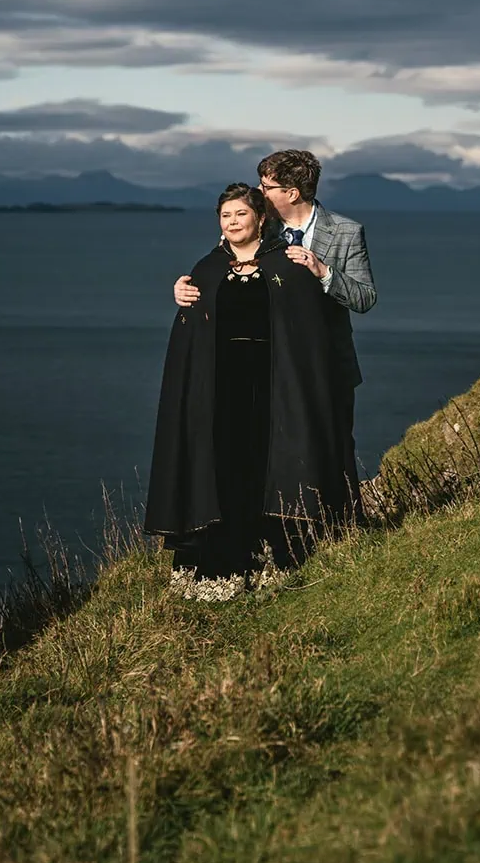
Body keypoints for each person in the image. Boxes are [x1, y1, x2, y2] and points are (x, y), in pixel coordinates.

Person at [145, 181, 357, 598]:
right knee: (224, 468)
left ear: (261, 218)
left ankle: (274, 558)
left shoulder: (288, 267)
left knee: (270, 468)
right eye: (225, 216)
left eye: (241, 214)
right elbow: (191, 331)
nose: (233, 222)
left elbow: (308, 333)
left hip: (276, 388)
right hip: (220, 389)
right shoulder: (206, 268)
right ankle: (223, 564)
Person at [173, 148, 376, 481]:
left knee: (333, 446)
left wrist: (324, 272)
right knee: (268, 452)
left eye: (266, 187)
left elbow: (365, 298)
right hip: (268, 364)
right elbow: (220, 273)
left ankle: (342, 529)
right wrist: (186, 289)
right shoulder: (256, 225)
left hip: (327, 362)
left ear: (292, 193)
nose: (259, 192)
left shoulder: (346, 232)